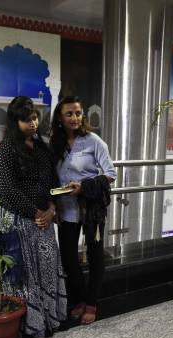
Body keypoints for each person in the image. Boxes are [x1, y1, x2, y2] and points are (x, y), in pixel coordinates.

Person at [0, 96, 67, 338]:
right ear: (15, 122)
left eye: (35, 118)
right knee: (26, 275)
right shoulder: (6, 149)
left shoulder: (41, 147)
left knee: (47, 268)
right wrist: (37, 214)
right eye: (27, 120)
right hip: (19, 221)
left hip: (43, 218)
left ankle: (50, 318)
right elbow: (7, 190)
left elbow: (53, 182)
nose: (33, 124)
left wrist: (51, 209)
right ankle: (31, 324)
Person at [50, 96, 117, 325]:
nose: (75, 118)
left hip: (91, 209)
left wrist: (85, 187)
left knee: (95, 255)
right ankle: (78, 299)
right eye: (69, 114)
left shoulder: (93, 141)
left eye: (78, 113)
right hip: (66, 209)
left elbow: (111, 174)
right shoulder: (55, 144)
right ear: (60, 117)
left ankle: (92, 302)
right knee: (69, 257)